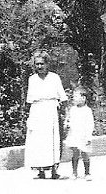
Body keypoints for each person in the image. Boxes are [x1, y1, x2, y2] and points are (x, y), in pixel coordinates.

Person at [24, 50, 67, 179]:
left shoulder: (54, 77)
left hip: (51, 110)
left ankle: (54, 170)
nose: (39, 66)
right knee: (38, 140)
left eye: (42, 64)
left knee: (52, 140)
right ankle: (40, 170)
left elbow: (63, 97)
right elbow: (29, 100)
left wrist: (64, 113)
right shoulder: (32, 79)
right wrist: (28, 116)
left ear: (47, 64)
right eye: (37, 64)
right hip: (37, 111)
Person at [65, 87, 94, 180]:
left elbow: (90, 124)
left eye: (76, 96)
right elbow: (69, 119)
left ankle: (87, 173)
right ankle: (74, 172)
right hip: (74, 134)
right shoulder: (72, 109)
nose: (74, 98)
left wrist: (88, 137)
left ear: (83, 98)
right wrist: (67, 124)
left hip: (83, 135)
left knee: (85, 153)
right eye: (73, 96)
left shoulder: (87, 111)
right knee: (75, 153)